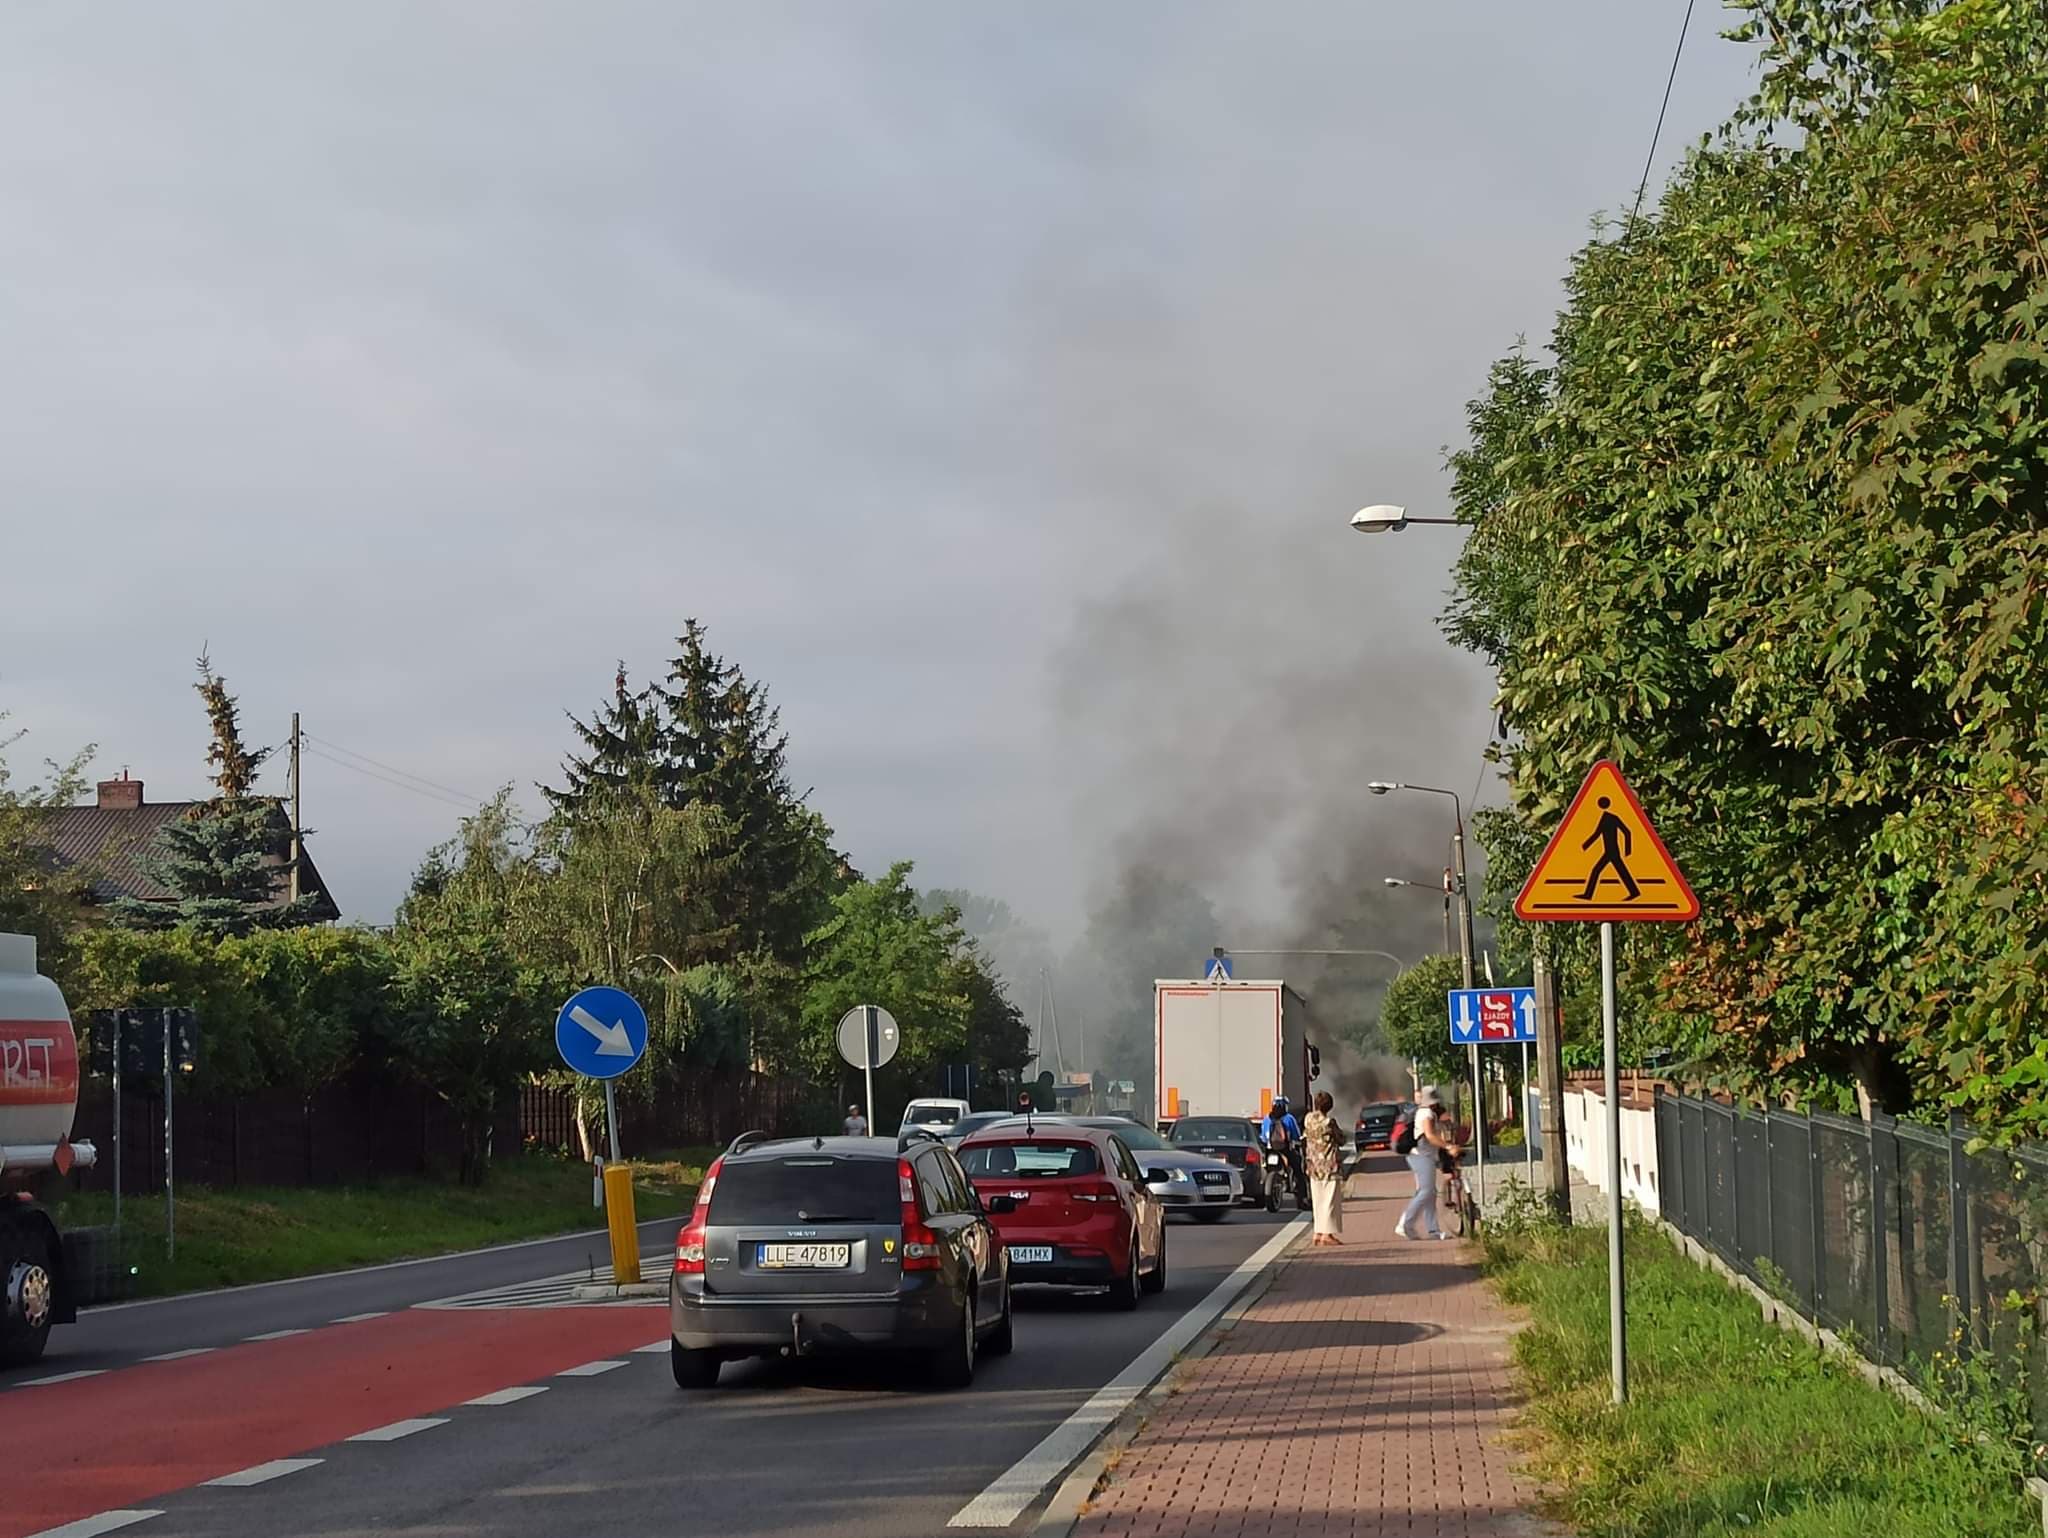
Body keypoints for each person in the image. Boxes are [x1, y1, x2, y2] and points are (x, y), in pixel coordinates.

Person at [1395, 1086, 1460, 1240]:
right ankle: (1404, 1223)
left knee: (1429, 1193)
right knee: (1425, 1191)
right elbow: (1430, 1136)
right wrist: (1448, 1146)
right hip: (1421, 1157)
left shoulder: (1426, 1112)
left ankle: (1433, 1230)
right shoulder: (1426, 1114)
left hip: (1423, 1156)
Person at [1303, 1090, 1345, 1245]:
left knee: (1318, 1200)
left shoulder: (1308, 1119)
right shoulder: (1329, 1122)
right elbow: (1340, 1139)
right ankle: (1327, 1234)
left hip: (1313, 1165)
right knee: (1330, 1200)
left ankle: (1317, 1232)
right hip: (1329, 1165)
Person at [1262, 1096, 1304, 1202]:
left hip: (1269, 1150)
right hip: (1285, 1150)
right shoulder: (1289, 1118)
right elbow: (1296, 1135)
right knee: (1298, 1171)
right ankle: (1302, 1198)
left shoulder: (1267, 1118)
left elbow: (1262, 1136)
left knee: (1264, 1168)